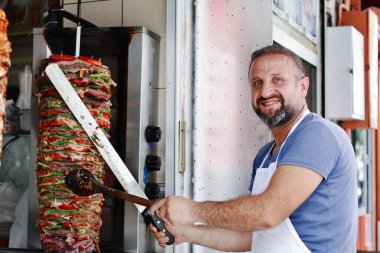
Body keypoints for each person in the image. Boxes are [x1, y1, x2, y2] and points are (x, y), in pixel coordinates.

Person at [148, 45, 358, 253]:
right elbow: (252, 236)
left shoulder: (318, 135)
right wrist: (186, 233)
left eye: (277, 80)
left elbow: (267, 212)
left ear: (303, 86)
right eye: (257, 83)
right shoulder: (265, 155)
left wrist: (193, 211)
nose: (265, 91)